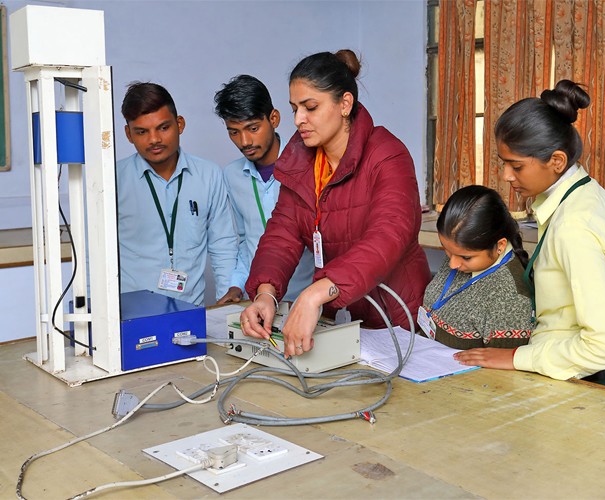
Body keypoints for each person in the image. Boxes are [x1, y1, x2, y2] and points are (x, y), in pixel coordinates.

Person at [240, 50, 431, 358]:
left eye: (310, 107)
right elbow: (282, 234)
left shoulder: (387, 155)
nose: (298, 119)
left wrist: (315, 293)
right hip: (339, 319)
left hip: (394, 321)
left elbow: (388, 237)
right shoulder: (301, 161)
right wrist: (266, 294)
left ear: (344, 104)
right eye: (294, 109)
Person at [455, 80, 605, 385]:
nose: (507, 176)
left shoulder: (573, 226)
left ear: (557, 161)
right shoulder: (583, 196)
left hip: (573, 378)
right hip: (560, 366)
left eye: (517, 166)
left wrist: (516, 357)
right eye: (504, 164)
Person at [117, 82, 237, 307]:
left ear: (179, 124)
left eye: (163, 128)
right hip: (131, 315)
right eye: (142, 131)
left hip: (190, 310)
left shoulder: (208, 175)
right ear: (128, 134)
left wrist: (226, 303)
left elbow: (223, 244)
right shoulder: (112, 181)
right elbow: (91, 255)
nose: (154, 139)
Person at [213, 75, 314, 305]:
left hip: (306, 301)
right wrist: (236, 285)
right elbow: (244, 241)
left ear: (274, 118)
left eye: (253, 128)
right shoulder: (232, 175)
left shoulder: (308, 165)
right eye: (234, 132)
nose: (245, 141)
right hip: (260, 301)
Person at [420, 185, 533, 349]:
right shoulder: (460, 252)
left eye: (466, 257)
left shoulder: (508, 296)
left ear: (499, 246)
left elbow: (501, 370)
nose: (452, 264)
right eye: (447, 250)